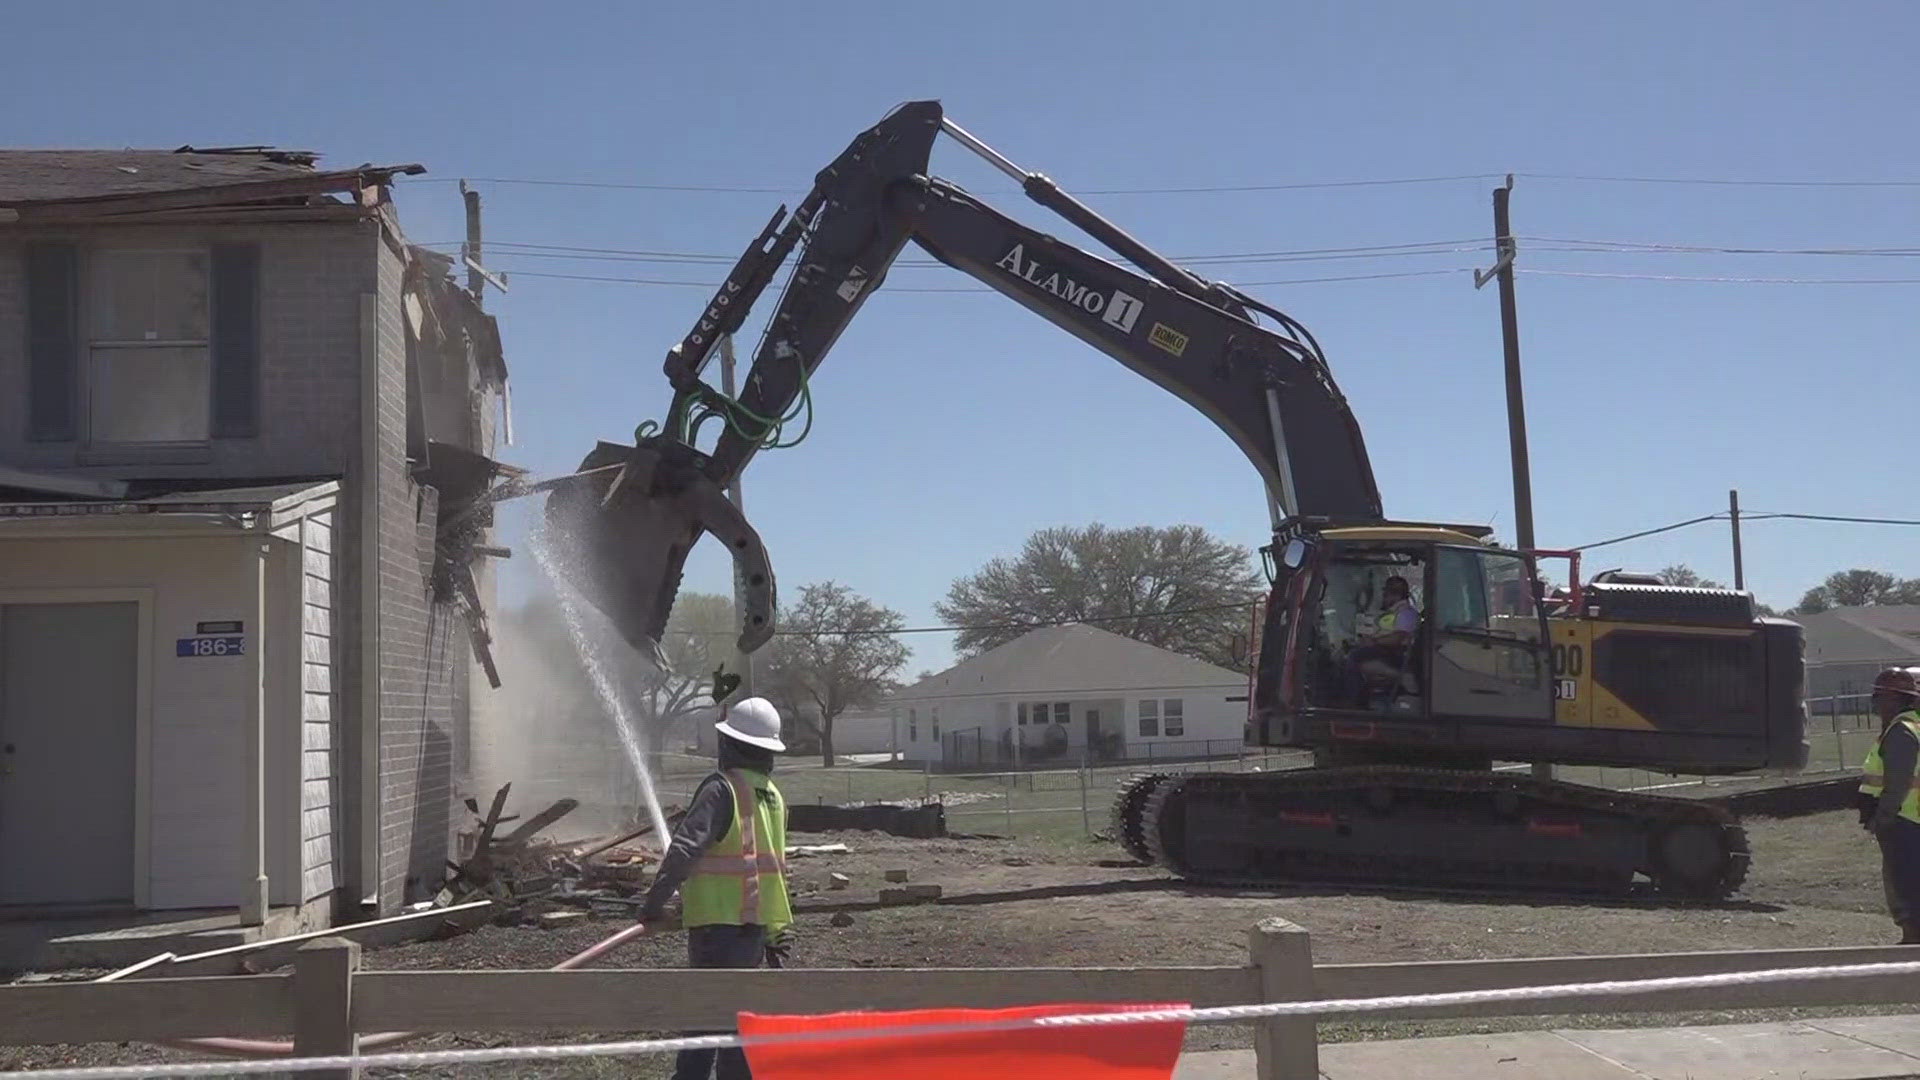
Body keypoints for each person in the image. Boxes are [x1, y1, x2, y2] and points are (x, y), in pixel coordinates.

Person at [641, 696, 794, 1080]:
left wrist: (653, 902)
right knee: (737, 1023)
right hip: (754, 931)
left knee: (704, 1018)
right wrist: (776, 933)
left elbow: (685, 849)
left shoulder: (721, 789)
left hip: (716, 929)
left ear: (729, 744)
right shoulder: (772, 796)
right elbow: (769, 868)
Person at [1859, 667, 1920, 944]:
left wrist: (1882, 817)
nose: (1877, 706)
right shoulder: (1912, 726)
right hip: (1910, 816)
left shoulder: (1901, 732)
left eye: (1881, 699)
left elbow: (1898, 782)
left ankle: (1913, 937)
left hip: (1903, 818)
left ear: (1895, 700)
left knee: (1904, 879)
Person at [1341, 574, 1420, 706]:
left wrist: (1374, 642)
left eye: (1386, 594)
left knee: (1354, 657)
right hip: (1383, 650)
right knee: (1346, 653)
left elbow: (1398, 637)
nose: (1383, 597)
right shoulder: (1391, 613)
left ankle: (1354, 701)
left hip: (1394, 654)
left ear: (1396, 595)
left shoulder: (1407, 613)